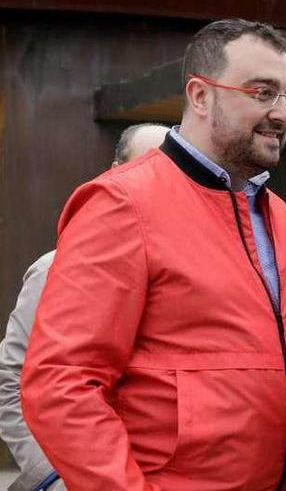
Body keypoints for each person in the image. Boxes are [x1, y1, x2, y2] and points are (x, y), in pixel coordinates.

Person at [20, 19, 286, 490]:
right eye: (262, 93)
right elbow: (61, 384)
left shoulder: (277, 215)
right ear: (199, 95)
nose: (283, 113)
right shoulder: (122, 202)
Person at [0, 123, 168, 491]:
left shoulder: (185, 274)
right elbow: (11, 380)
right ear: (114, 171)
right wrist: (53, 476)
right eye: (144, 167)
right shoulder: (58, 268)